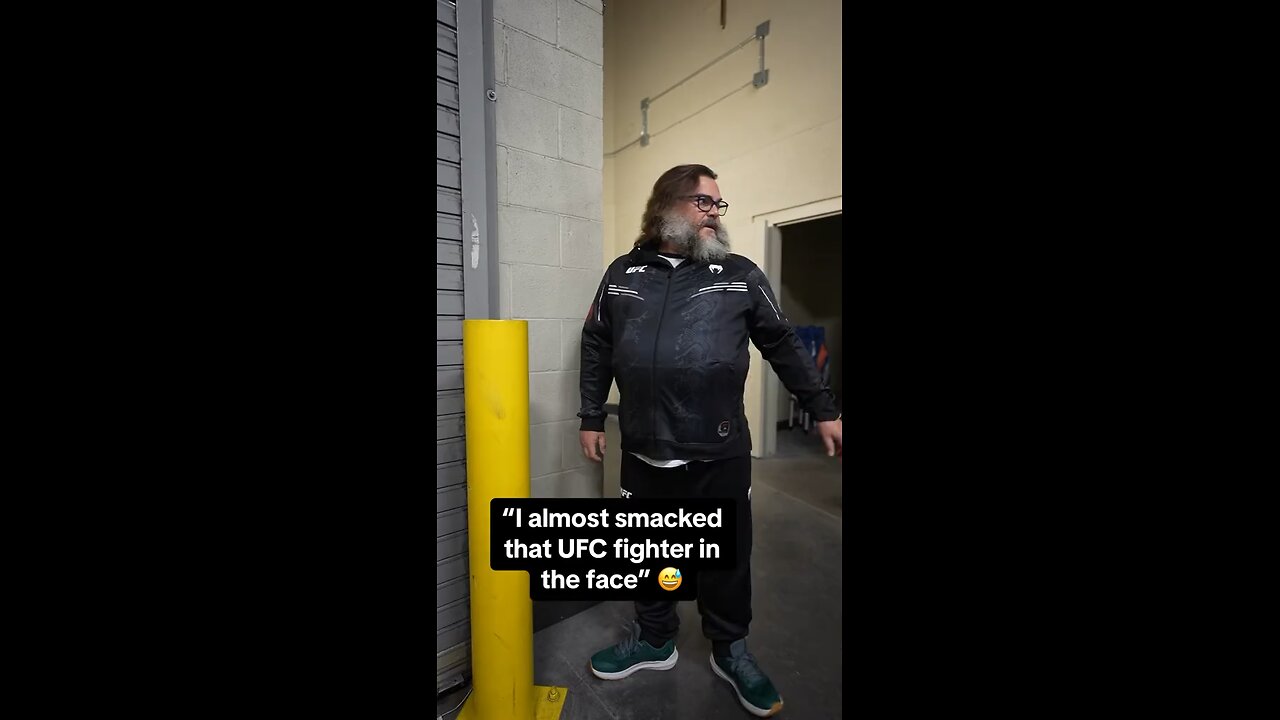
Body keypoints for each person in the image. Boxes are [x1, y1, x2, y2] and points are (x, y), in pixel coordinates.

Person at [577, 164, 841, 717]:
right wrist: (591, 417)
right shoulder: (622, 274)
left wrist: (821, 407)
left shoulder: (738, 274)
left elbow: (784, 343)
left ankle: (730, 649)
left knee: (725, 558)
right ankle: (654, 639)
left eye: (719, 205)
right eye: (706, 203)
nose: (716, 214)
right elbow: (597, 344)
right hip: (644, 447)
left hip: (717, 451)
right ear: (669, 207)